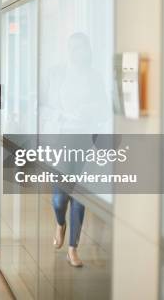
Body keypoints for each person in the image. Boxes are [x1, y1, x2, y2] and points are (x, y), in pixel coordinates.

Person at [43, 33, 111, 267]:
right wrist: (61, 115)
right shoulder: (56, 73)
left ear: (87, 50)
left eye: (81, 47)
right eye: (73, 47)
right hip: (62, 138)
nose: (77, 52)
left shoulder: (95, 77)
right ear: (67, 50)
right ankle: (60, 223)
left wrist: (89, 110)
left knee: (80, 195)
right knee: (59, 197)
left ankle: (73, 247)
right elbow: (42, 106)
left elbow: (104, 109)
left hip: (86, 139)